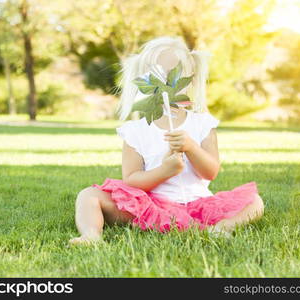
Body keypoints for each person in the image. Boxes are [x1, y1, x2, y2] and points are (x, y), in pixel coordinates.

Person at [69, 36, 264, 245]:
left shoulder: (202, 124)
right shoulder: (136, 131)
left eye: (173, 77)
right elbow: (132, 180)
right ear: (143, 81)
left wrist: (191, 148)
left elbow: (211, 171)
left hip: (199, 205)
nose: (164, 85)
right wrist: (165, 171)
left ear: (189, 79)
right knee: (88, 195)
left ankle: (219, 228)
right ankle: (91, 235)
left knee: (255, 201)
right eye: (156, 76)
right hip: (152, 206)